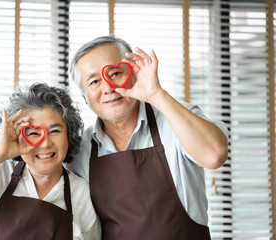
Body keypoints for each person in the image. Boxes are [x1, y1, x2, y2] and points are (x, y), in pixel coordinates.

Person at [67, 35, 229, 239]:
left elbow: (215, 155)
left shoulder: (174, 120)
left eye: (115, 73)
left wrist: (155, 94)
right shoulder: (79, 151)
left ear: (134, 74)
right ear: (84, 97)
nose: (108, 88)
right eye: (94, 81)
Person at [0, 82, 101, 240]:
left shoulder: (81, 193)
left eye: (55, 130)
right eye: (33, 133)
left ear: (69, 134)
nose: (45, 143)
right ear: (16, 138)